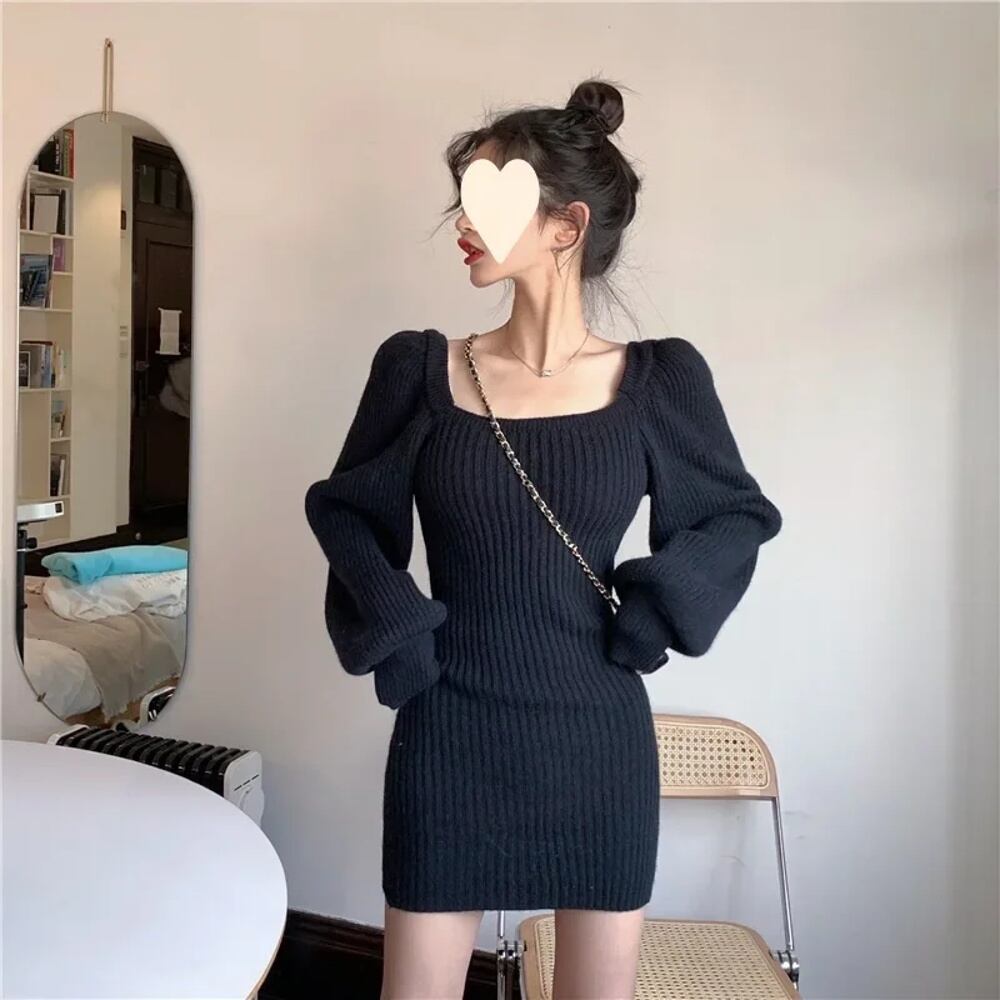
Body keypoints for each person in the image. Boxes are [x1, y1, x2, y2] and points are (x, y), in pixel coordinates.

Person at [304, 77, 783, 1000]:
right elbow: (347, 512)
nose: (463, 222)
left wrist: (652, 614)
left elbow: (734, 515)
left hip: (596, 743)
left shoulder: (658, 381)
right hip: (448, 731)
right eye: (464, 199)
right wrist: (400, 635)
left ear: (566, 226)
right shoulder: (418, 370)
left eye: (490, 199)